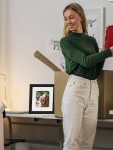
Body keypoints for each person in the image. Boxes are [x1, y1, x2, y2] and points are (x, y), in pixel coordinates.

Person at [60, 3, 113, 150]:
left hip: (93, 88)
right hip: (75, 90)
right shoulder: (66, 41)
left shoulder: (91, 41)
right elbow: (85, 61)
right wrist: (108, 52)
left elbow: (96, 69)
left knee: (87, 143)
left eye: (71, 17)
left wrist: (102, 54)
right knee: (72, 142)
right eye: (65, 19)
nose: (68, 21)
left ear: (81, 17)